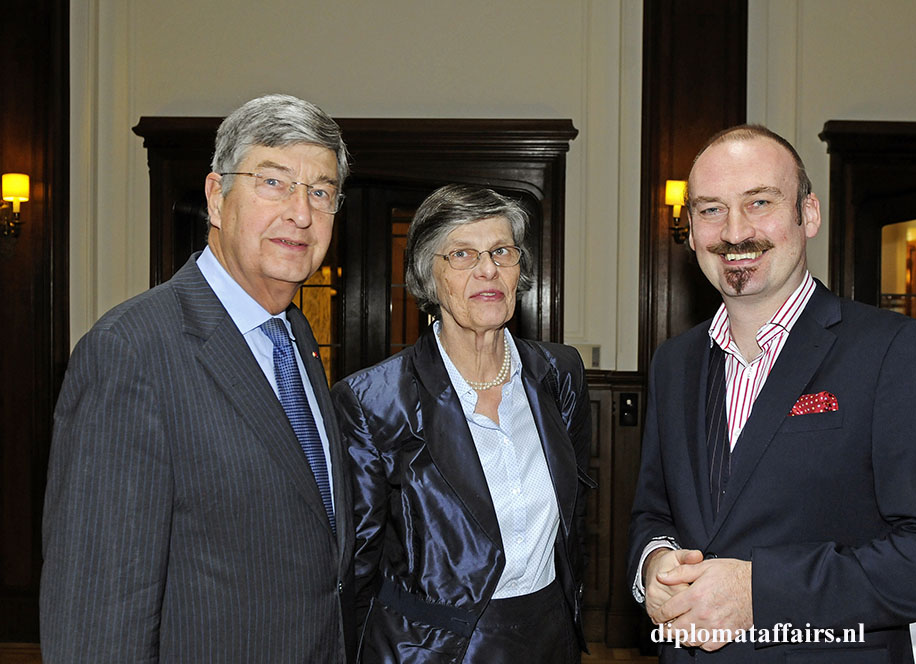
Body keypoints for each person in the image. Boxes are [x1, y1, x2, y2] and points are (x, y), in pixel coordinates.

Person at [627, 124, 916, 662]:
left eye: (759, 202)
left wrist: (761, 593)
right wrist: (653, 564)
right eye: (710, 210)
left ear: (809, 214)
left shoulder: (892, 351)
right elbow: (653, 513)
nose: (734, 232)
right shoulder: (673, 363)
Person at [40, 94, 355, 663]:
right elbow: (96, 613)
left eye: (321, 191)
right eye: (274, 182)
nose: (302, 213)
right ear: (217, 197)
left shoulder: (296, 339)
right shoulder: (131, 352)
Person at [331, 184, 594, 663]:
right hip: (432, 651)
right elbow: (358, 566)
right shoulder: (373, 401)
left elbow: (576, 520)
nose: (488, 269)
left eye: (501, 251)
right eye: (463, 254)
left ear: (520, 270)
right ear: (429, 278)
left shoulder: (559, 374)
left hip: (550, 639)